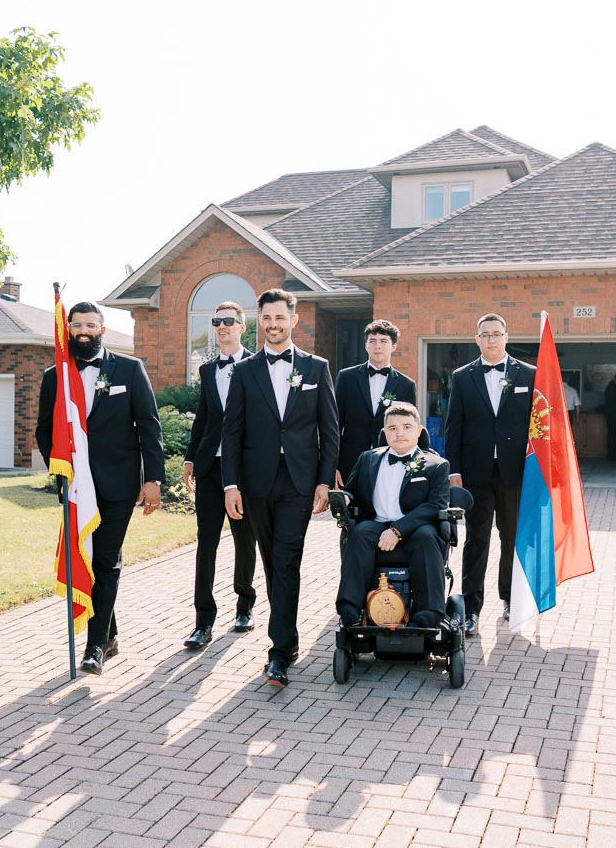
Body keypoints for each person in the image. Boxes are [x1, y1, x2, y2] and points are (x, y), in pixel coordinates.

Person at [36, 301, 164, 675]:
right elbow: (45, 430)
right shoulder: (54, 376)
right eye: (77, 325)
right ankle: (108, 634)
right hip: (77, 486)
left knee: (105, 559)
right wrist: (60, 469)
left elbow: (149, 427)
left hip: (119, 484)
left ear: (103, 330)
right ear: (68, 330)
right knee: (86, 559)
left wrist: (153, 479)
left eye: (91, 325)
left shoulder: (129, 368)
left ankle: (94, 647)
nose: (84, 331)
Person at [221, 287, 339, 687]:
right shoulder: (245, 371)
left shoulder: (316, 368)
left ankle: (278, 653)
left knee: (287, 561)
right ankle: (287, 639)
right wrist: (231, 485)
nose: (273, 324)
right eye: (266, 318)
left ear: (294, 319)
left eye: (279, 317)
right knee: (272, 562)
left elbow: (330, 430)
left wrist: (324, 480)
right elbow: (232, 432)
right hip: (255, 482)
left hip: (300, 481)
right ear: (259, 321)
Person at [441, 312, 535, 635]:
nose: (492, 339)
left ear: (507, 337)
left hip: (514, 473)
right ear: (477, 339)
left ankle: (510, 599)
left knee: (512, 538)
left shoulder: (530, 374)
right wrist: (453, 471)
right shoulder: (462, 377)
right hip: (475, 474)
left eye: (497, 334)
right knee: (476, 540)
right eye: (486, 334)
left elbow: (538, 426)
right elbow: (453, 427)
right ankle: (471, 608)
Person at [181, 302, 261, 650]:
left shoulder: (258, 367)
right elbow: (204, 417)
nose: (223, 326)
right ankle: (203, 621)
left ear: (244, 326)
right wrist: (190, 458)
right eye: (217, 322)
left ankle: (244, 606)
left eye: (229, 321)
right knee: (206, 542)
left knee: (245, 539)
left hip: (244, 470)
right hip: (210, 468)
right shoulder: (207, 370)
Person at [335, 402, 450, 630]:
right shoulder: (368, 459)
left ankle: (428, 613)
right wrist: (345, 497)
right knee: (360, 532)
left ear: (418, 431)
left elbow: (435, 505)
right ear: (384, 432)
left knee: (426, 536)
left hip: (416, 529)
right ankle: (349, 608)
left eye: (407, 427)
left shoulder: (437, 465)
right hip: (376, 526)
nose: (400, 433)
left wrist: (398, 531)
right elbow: (353, 490)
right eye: (393, 428)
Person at [333, 320, 416, 486]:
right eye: (372, 341)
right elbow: (334, 424)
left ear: (393, 346)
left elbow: (409, 429)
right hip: (349, 463)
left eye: (383, 341)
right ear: (366, 346)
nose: (377, 346)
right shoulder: (346, 377)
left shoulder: (407, 385)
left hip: (390, 461)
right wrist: (332, 467)